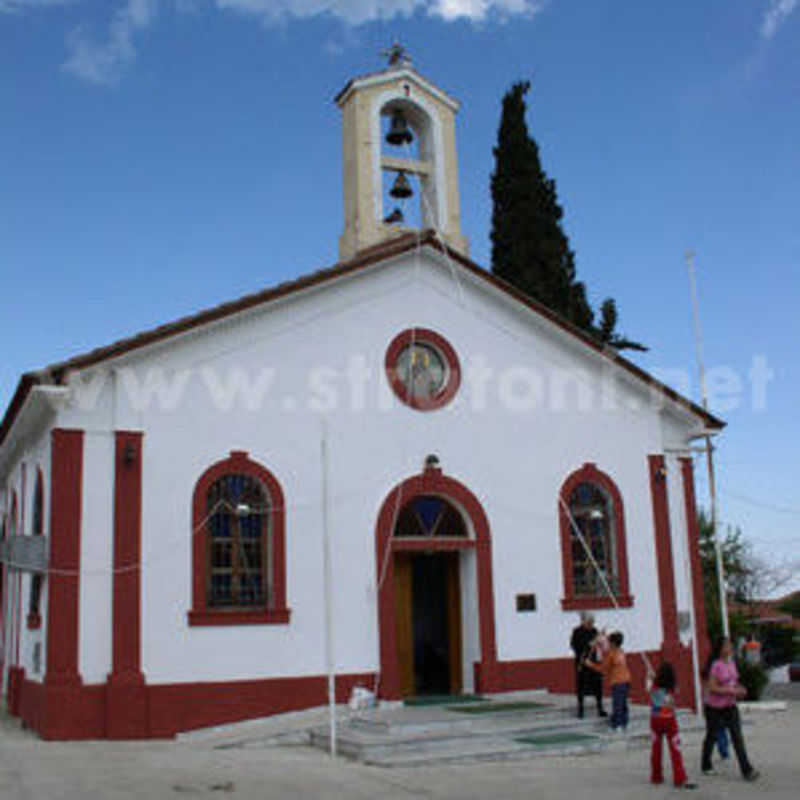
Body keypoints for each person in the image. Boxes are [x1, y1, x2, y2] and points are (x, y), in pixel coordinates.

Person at [700, 636, 760, 782]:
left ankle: (747, 770)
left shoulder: (731, 663)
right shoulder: (716, 665)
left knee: (737, 737)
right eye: (727, 645)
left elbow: (734, 682)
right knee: (711, 736)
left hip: (730, 706)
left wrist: (740, 689)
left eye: (730, 645)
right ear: (720, 649)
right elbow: (712, 687)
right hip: (714, 707)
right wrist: (730, 691)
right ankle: (705, 763)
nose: (730, 648)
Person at [649, 662, 696, 789]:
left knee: (656, 750)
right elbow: (672, 703)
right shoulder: (673, 689)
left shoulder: (653, 686)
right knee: (675, 750)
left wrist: (651, 678)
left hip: (655, 720)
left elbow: (648, 687)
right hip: (670, 721)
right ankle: (679, 777)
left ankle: (656, 776)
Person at [586, 630, 630, 732]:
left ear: (613, 643)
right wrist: (602, 638)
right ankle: (624, 723)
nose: (608, 643)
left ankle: (617, 725)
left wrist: (590, 664)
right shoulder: (621, 651)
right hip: (626, 680)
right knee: (623, 704)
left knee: (617, 705)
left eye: (610, 642)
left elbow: (602, 669)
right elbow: (606, 649)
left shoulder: (612, 654)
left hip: (618, 682)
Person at [570, 612, 607, 718]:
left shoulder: (594, 631)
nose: (591, 623)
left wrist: (600, 640)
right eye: (589, 621)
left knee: (598, 685)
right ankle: (580, 709)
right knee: (581, 686)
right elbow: (575, 645)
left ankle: (600, 708)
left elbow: (598, 645)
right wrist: (589, 644)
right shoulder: (577, 631)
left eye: (592, 621)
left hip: (594, 662)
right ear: (583, 621)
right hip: (582, 662)